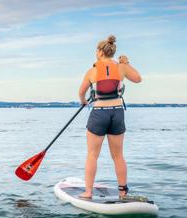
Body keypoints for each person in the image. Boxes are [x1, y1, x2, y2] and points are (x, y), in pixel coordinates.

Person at [78, 35, 142, 199]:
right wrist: (126, 63)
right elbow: (138, 79)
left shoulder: (92, 70)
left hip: (99, 113)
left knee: (92, 155)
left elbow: (81, 92)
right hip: (117, 113)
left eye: (96, 50)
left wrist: (84, 101)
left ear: (100, 52)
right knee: (118, 156)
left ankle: (88, 192)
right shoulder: (121, 67)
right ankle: (122, 193)